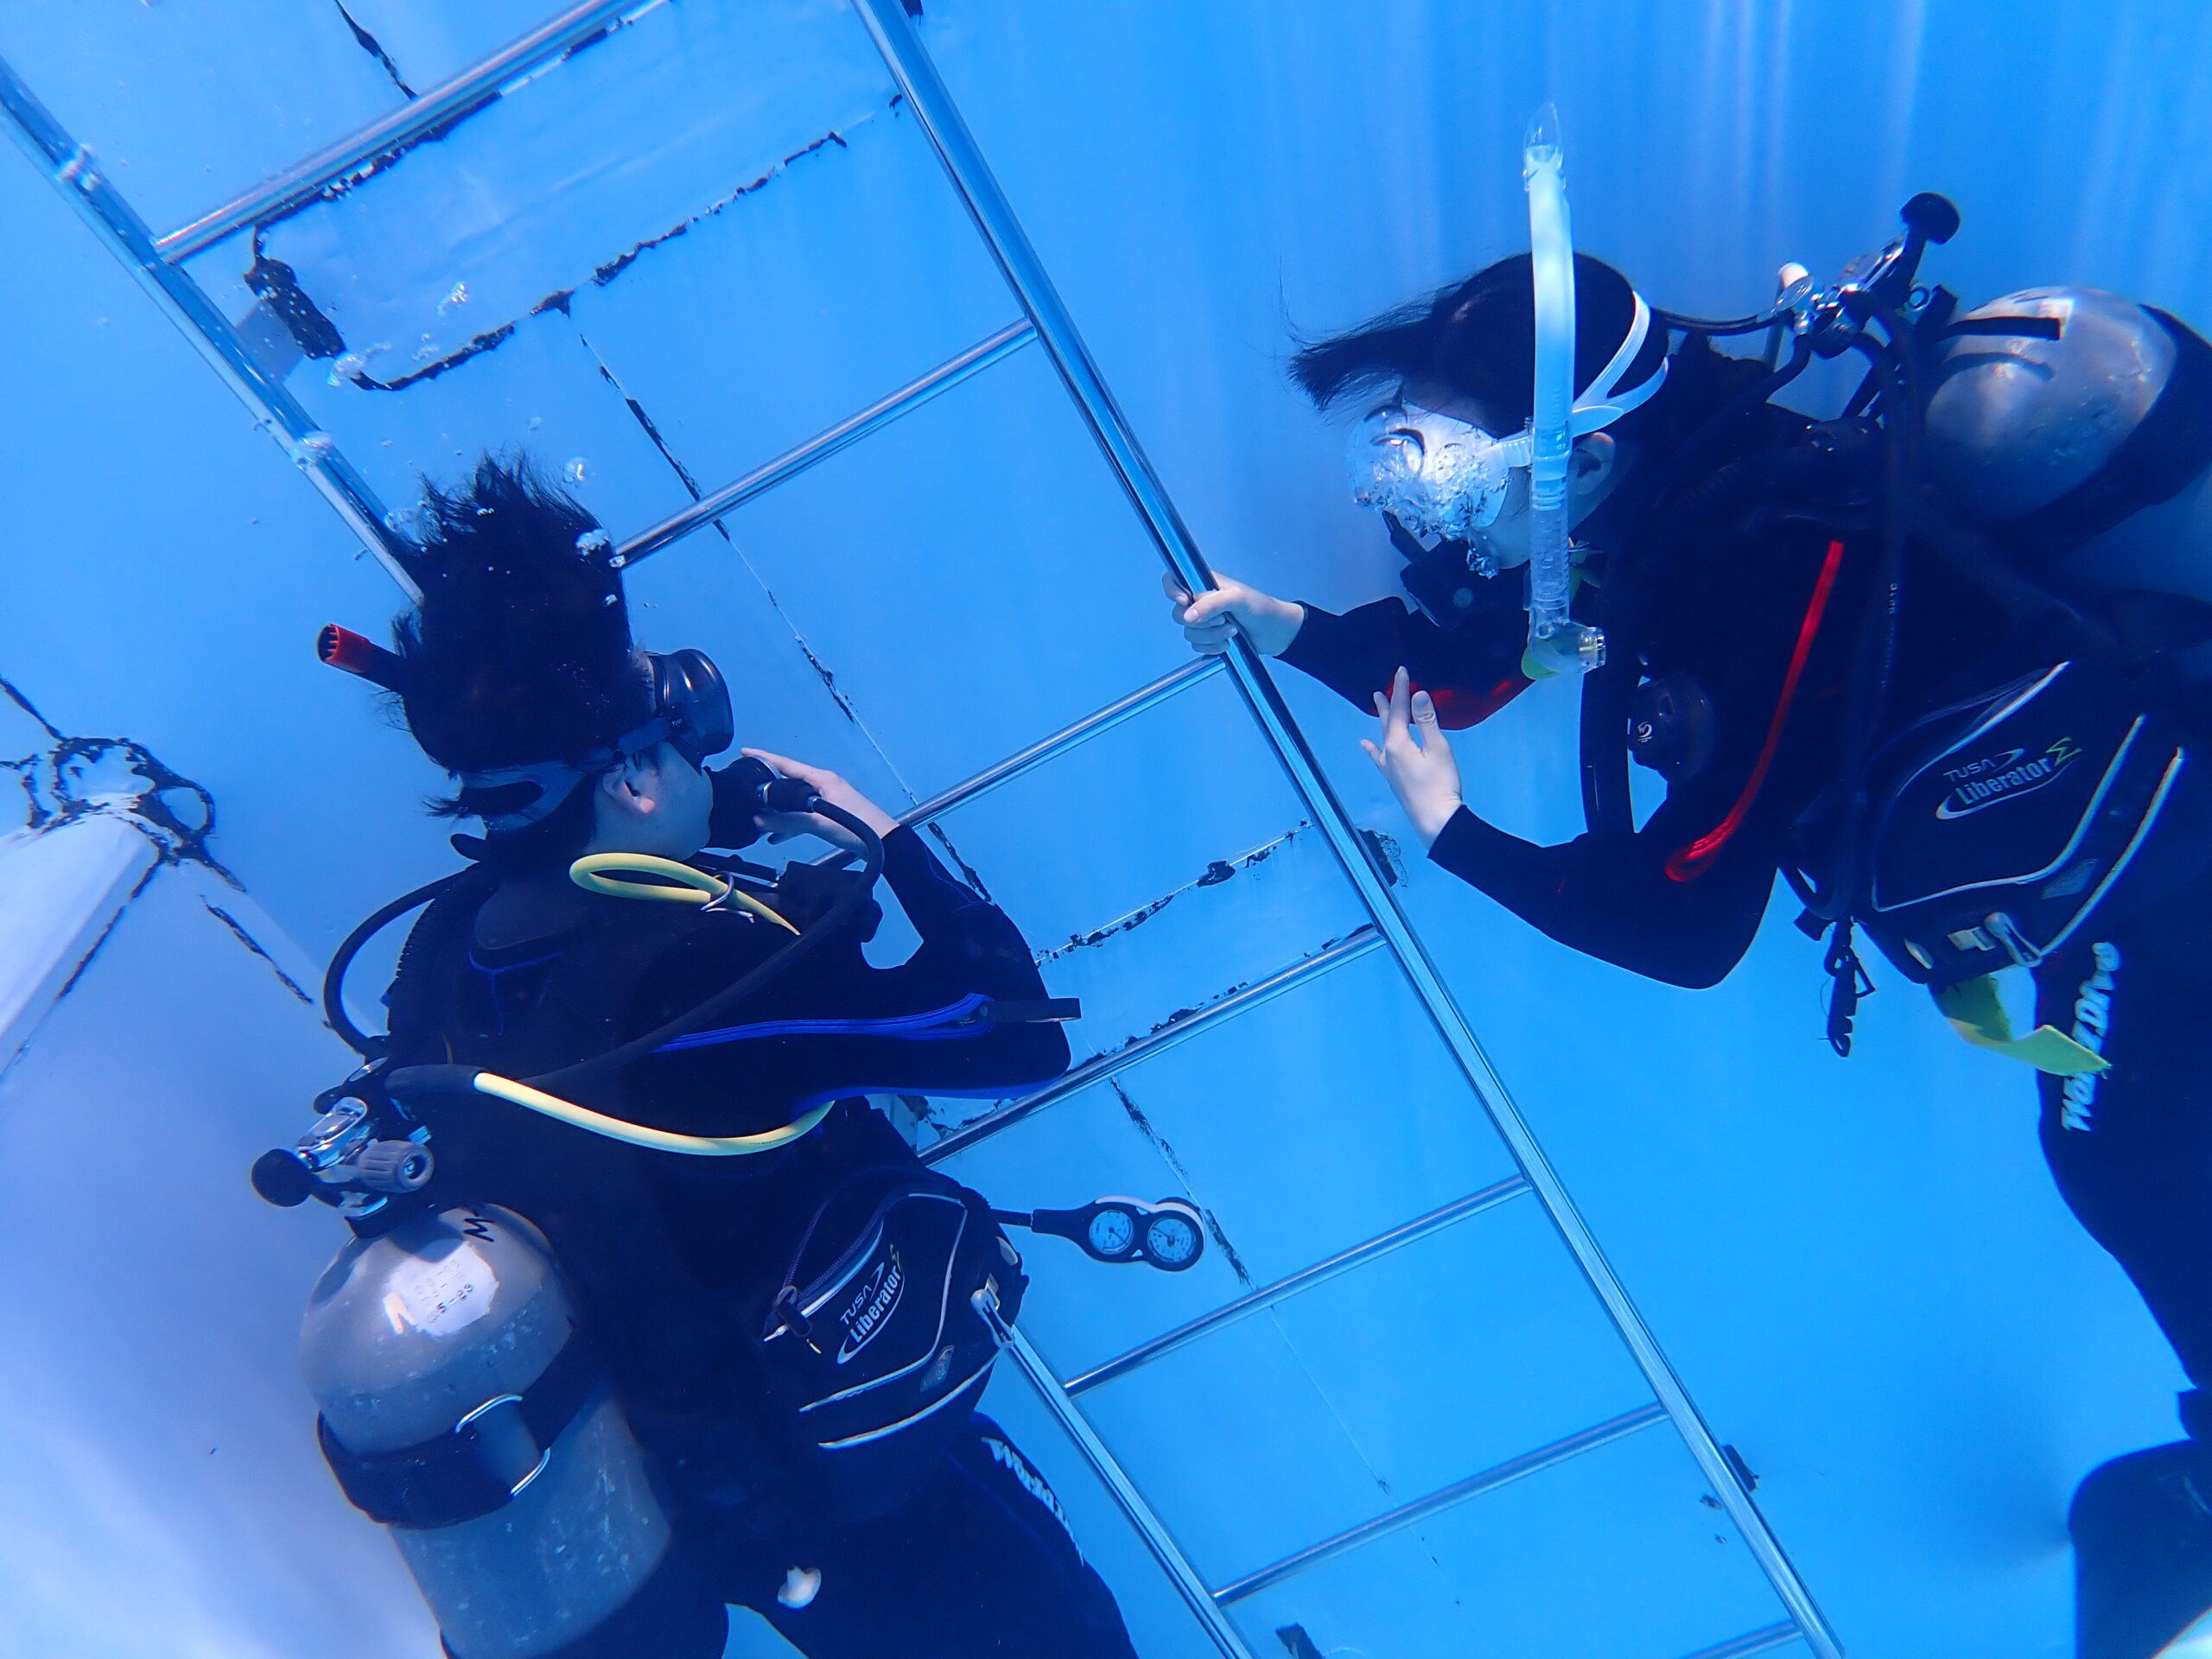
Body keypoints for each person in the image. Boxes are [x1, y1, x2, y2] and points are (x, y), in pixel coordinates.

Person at [1168, 256, 2212, 1656]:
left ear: (1583, 450)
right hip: (2146, 870)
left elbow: (1684, 926)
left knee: (2127, 1155)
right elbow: (1484, 667)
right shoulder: (1660, 503)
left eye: (1441, 463)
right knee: (2120, 1154)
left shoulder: (1759, 567)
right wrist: (1288, 629)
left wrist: (1455, 838)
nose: (1420, 501)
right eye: (1406, 460)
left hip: (2174, 874)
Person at [345, 459, 1135, 1659]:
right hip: (857, 1495)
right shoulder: (699, 979)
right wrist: (876, 831)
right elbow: (1015, 1033)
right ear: (631, 778)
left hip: (696, 1503)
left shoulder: (441, 956)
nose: (709, 761)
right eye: (683, 734)